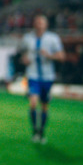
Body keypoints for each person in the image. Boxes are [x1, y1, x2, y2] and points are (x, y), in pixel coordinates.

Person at [17, 14, 65, 143]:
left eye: (41, 23)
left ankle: (41, 131)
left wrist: (49, 55)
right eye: (37, 22)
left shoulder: (53, 38)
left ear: (46, 25)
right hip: (32, 75)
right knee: (33, 103)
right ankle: (34, 130)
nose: (39, 25)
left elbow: (61, 56)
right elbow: (21, 53)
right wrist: (24, 59)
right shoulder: (28, 38)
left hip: (47, 76)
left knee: (44, 105)